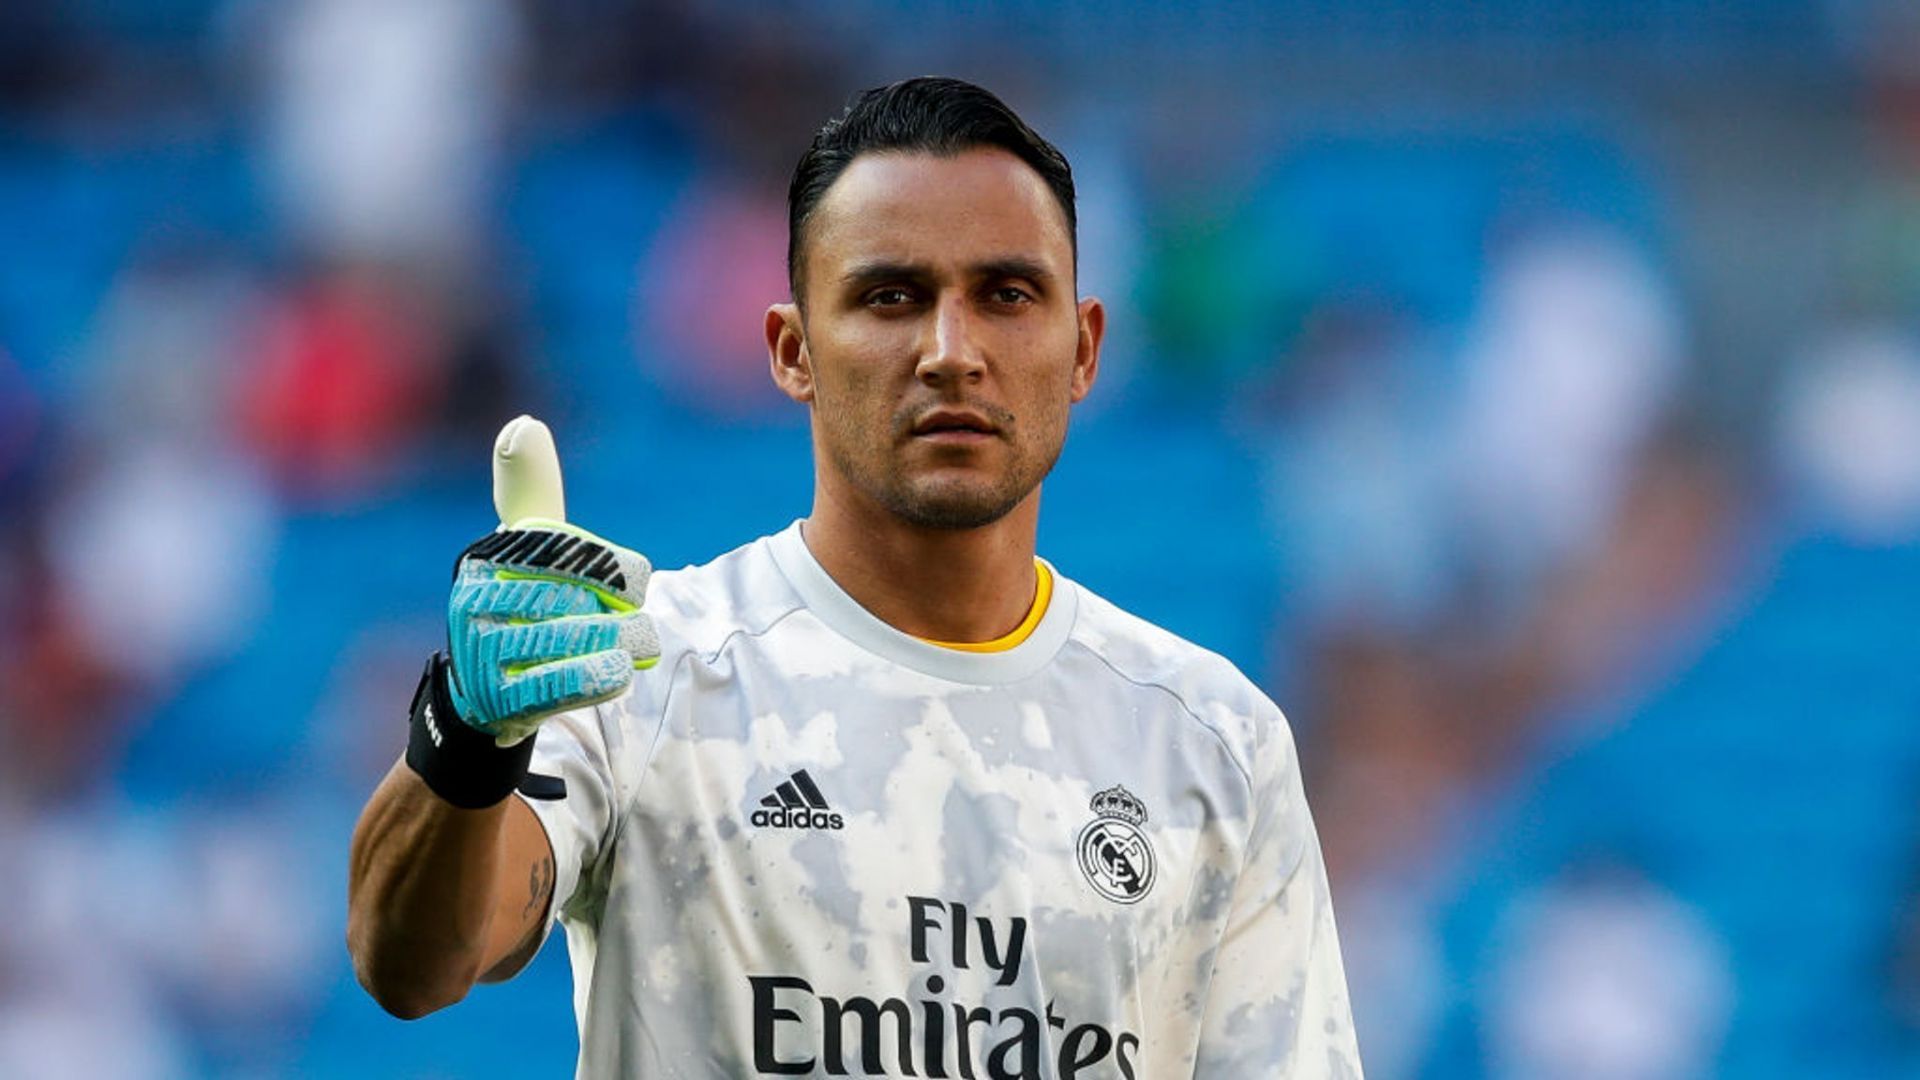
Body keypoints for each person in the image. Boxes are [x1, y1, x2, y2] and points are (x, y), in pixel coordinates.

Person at [347, 76, 1362, 1078]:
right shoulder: (642, 668)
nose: (951, 352)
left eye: (1007, 295)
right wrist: (466, 741)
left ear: (1084, 348)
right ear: (793, 350)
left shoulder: (1214, 742)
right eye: (891, 297)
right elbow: (415, 963)